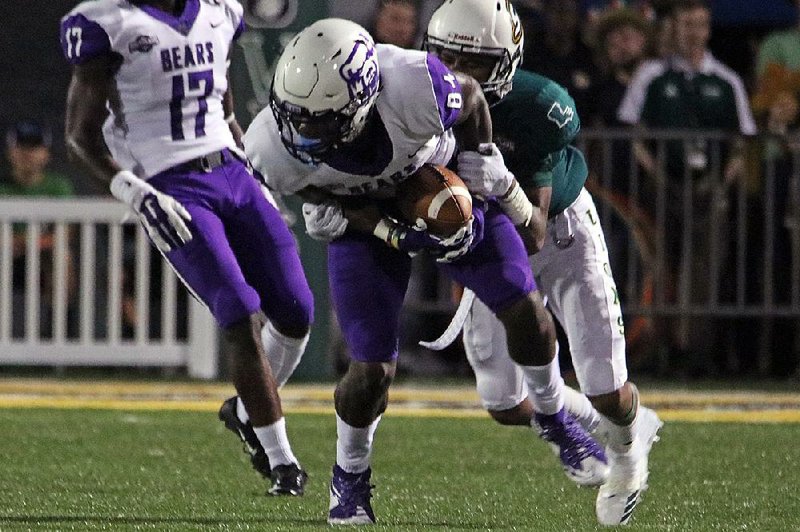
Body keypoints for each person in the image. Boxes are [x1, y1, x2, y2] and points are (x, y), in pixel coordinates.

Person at [243, 17, 607, 525]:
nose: (302, 132)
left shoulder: (416, 84)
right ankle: (349, 475)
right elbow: (305, 181)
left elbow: (475, 97)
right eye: (296, 117)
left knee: (523, 304)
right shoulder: (270, 146)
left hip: (439, 186)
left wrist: (480, 159)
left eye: (320, 122)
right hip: (364, 219)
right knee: (370, 370)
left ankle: (552, 414)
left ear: (364, 100)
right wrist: (338, 210)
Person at [60, 0, 313, 496]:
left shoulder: (220, 11)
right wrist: (134, 191)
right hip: (170, 183)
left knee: (297, 309)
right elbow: (80, 136)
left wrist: (255, 175)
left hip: (231, 171)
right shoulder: (107, 22)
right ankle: (283, 460)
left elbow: (224, 104)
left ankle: (246, 414)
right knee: (239, 311)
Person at [425, 0, 662, 525]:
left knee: (606, 388)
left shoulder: (538, 107)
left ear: (505, 62)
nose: (457, 75)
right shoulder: (416, 97)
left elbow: (533, 230)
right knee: (504, 404)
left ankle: (627, 454)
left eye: (474, 64)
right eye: (445, 57)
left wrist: (504, 186)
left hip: (558, 234)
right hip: (487, 238)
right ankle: (611, 418)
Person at [617, 0, 756, 375]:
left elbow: (741, 141)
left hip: (709, 189)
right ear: (673, 29)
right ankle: (653, 350)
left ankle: (692, 351)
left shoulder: (726, 80)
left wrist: (721, 182)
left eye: (699, 25)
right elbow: (634, 134)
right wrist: (657, 175)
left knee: (703, 270)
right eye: (685, 25)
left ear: (708, 30)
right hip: (661, 188)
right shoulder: (652, 75)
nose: (692, 33)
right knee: (656, 266)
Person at [1, 121, 76, 339]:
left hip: (42, 260)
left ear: (46, 153)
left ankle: (57, 339)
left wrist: (28, 243)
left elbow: (66, 232)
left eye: (34, 147)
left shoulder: (58, 187)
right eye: (21, 146)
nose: (27, 153)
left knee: (64, 260)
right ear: (10, 152)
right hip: (5, 258)